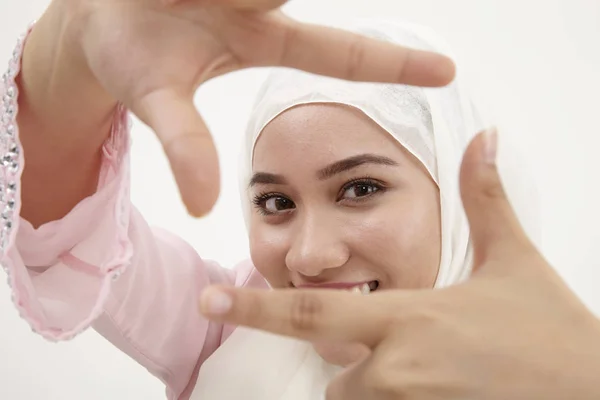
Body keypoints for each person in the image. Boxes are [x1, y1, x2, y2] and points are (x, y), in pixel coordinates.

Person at [202, 129, 600, 400]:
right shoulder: (225, 328)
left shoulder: (559, 374)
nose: (308, 256)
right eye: (276, 202)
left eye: (361, 189)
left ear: (453, 205)